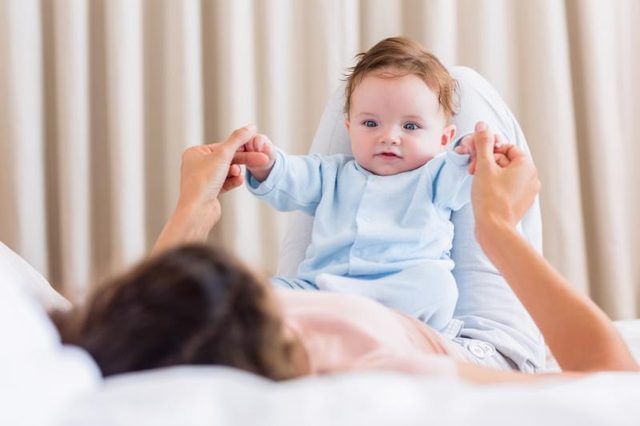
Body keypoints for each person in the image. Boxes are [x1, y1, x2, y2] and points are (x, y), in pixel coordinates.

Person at [56, 123, 639, 384]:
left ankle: (402, 112)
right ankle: (411, 116)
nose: (387, 137)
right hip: (464, 336)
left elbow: (150, 316)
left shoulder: (175, 338)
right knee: (452, 84)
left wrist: (197, 208)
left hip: (337, 287)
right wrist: (495, 225)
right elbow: (612, 384)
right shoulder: (361, 354)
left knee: (399, 93)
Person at [240, 37, 502, 332]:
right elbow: (294, 177)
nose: (389, 136)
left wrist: (470, 152)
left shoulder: (434, 176)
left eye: (411, 126)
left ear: (443, 139)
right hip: (326, 288)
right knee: (265, 292)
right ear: (349, 128)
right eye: (370, 124)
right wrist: (267, 164)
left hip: (400, 290)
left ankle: (404, 337)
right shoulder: (333, 174)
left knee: (437, 286)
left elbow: (463, 177)